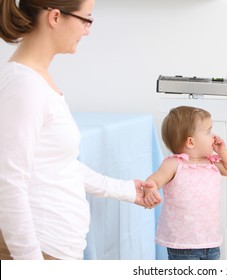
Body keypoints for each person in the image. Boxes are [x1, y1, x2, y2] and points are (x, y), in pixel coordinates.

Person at [0, 0, 158, 260]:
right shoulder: (24, 86)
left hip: (57, 248)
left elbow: (60, 165)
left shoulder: (38, 80)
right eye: (86, 19)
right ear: (54, 17)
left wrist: (127, 190)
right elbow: (9, 183)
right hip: (40, 251)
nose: (88, 30)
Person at [142, 106, 227, 260]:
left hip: (211, 241)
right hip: (183, 245)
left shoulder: (212, 163)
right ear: (190, 142)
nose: (213, 137)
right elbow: (155, 180)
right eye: (209, 132)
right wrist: (150, 188)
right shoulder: (174, 164)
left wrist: (222, 152)